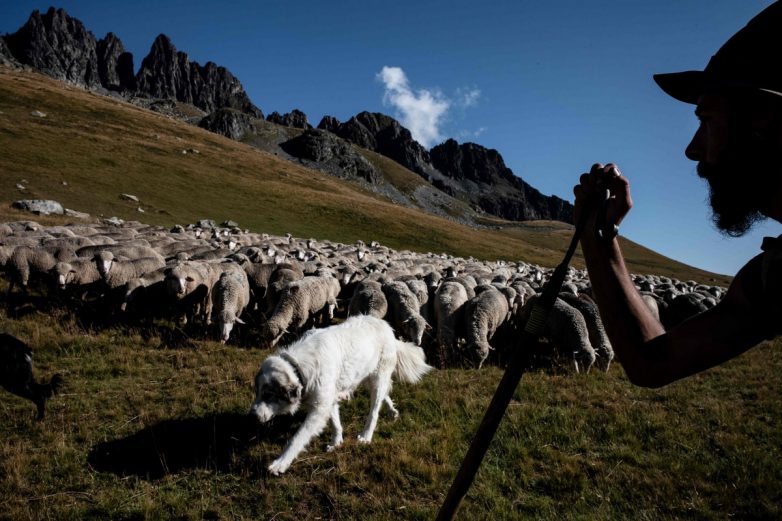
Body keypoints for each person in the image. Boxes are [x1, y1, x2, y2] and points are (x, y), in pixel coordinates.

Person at [573, 2, 782, 388]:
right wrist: (600, 239)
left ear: (764, 121)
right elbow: (653, 362)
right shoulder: (775, 274)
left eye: (706, 120)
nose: (692, 148)